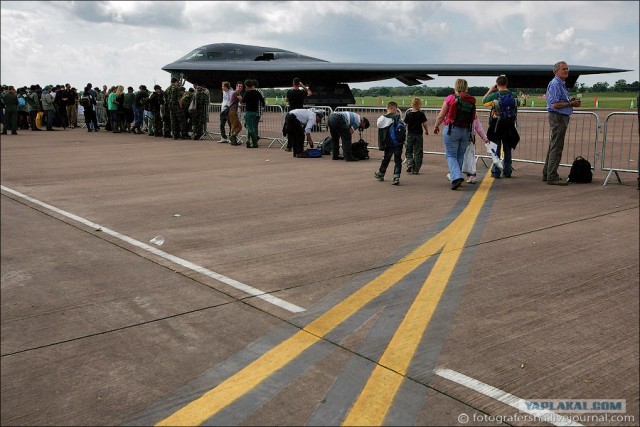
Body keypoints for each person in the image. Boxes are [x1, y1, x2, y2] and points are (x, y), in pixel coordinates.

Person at [433, 78, 475, 190]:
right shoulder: (471, 100)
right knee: (460, 155)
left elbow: (442, 115)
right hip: (466, 130)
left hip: (452, 129)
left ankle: (456, 177)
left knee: (451, 155)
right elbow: (473, 118)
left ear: (455, 87)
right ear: (466, 87)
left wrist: (436, 125)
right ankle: (457, 178)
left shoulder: (450, 98)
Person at [543, 61, 581, 185]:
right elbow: (554, 104)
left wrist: (570, 101)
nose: (566, 71)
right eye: (564, 69)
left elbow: (558, 101)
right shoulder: (555, 84)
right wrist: (571, 104)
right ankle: (552, 176)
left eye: (567, 69)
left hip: (560, 116)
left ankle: (547, 173)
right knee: (557, 147)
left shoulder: (561, 84)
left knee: (554, 145)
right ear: (557, 71)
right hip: (558, 117)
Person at [482, 75, 518, 178]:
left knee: (495, 149)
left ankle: (496, 171)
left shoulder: (494, 95)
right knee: (507, 149)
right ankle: (507, 171)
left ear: (497, 84)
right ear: (507, 84)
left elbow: (484, 101)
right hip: (509, 124)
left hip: (496, 125)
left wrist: (490, 90)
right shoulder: (513, 95)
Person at [374, 101, 404, 185]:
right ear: (395, 108)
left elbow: (379, 125)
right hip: (398, 143)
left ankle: (381, 173)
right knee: (398, 160)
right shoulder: (398, 118)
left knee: (386, 158)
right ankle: (396, 176)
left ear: (387, 108)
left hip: (388, 143)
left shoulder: (382, 118)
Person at [403, 97, 429, 174]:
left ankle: (410, 163)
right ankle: (416, 169)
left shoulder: (408, 114)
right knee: (418, 152)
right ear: (419, 104)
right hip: (418, 135)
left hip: (410, 135)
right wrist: (426, 131)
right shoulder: (421, 114)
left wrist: (403, 130)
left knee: (409, 151)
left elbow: (405, 124)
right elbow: (424, 124)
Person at [241, 79, 265, 148]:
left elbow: (243, 101)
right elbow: (263, 102)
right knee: (252, 126)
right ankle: (250, 141)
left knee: (249, 127)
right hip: (255, 112)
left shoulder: (248, 93)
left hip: (249, 111)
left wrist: (240, 98)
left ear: (247, 86)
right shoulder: (258, 93)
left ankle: (254, 142)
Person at [227, 81, 244, 145]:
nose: (240, 88)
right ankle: (232, 139)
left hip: (234, 111)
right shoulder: (236, 92)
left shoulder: (237, 93)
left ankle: (233, 138)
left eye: (241, 86)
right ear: (236, 86)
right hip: (232, 111)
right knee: (235, 126)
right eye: (239, 86)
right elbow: (242, 101)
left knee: (239, 126)